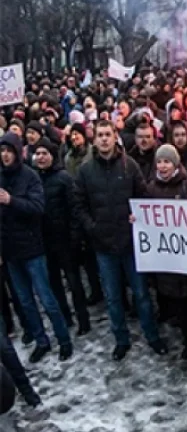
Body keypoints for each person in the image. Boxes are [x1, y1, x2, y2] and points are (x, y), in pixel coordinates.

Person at [73, 119, 166, 360]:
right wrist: (92, 227)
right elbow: (79, 204)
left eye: (108, 134)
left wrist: (140, 217)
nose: (104, 139)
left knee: (141, 294)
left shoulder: (130, 166)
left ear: (116, 137)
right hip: (103, 245)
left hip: (130, 243)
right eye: (100, 134)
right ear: (95, 139)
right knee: (113, 297)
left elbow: (144, 196)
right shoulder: (85, 170)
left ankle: (152, 336)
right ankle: (121, 340)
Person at [0, 132, 72, 363]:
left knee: (47, 299)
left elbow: (37, 207)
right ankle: (41, 341)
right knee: (25, 301)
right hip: (11, 252)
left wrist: (12, 201)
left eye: (9, 150)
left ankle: (64, 340)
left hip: (32, 249)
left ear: (17, 152)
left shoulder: (30, 177)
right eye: (2, 151)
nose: (5, 155)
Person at [143, 144, 187, 359]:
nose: (163, 166)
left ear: (176, 163)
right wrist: (138, 220)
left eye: (167, 161)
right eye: (159, 161)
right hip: (168, 260)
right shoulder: (151, 189)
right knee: (180, 308)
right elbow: (147, 220)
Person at [29, 138, 89, 336]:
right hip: (45, 242)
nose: (41, 157)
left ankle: (83, 319)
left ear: (53, 156)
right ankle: (66, 316)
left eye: (45, 153)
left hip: (65, 239)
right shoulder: (33, 178)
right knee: (55, 283)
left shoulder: (63, 177)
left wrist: (74, 238)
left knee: (74, 282)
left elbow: (74, 209)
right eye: (38, 154)